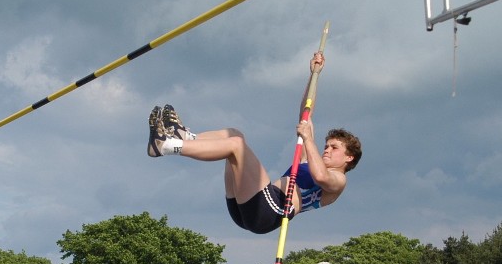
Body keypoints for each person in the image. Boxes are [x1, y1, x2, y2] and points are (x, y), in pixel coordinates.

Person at [147, 53, 361, 236]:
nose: (326, 149)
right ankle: (183, 136)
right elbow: (306, 112)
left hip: (272, 211)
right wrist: (314, 74)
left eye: (334, 148)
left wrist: (307, 138)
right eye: (327, 145)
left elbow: (321, 177)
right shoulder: (309, 158)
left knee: (236, 145)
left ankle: (166, 145)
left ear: (349, 157)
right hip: (250, 207)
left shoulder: (339, 180)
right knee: (233, 134)